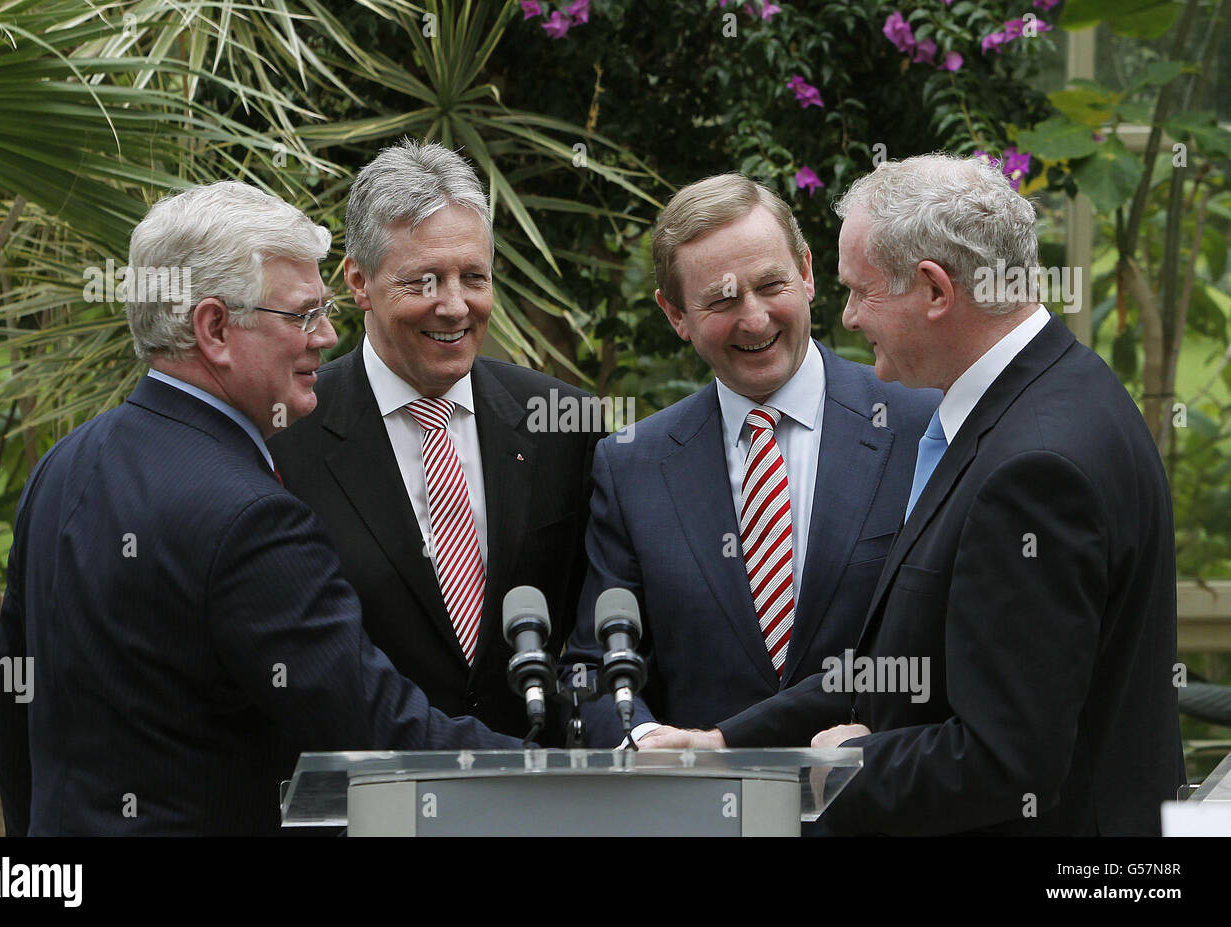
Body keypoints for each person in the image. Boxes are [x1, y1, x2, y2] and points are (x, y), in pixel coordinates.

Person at [641, 154, 1184, 836]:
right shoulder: (1052, 392)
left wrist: (847, 762)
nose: (848, 316)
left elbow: (1005, 761)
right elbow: (911, 662)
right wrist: (726, 742)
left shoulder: (1035, 467)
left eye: (860, 291)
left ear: (933, 289)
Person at [0, 181, 521, 837]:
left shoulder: (62, 467)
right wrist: (581, 780)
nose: (326, 336)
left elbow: (11, 706)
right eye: (301, 315)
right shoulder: (250, 517)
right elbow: (377, 733)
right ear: (215, 328)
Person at [563, 173, 938, 747]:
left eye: (771, 285)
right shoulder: (633, 466)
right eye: (721, 299)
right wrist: (638, 745)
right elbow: (596, 667)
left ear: (808, 273)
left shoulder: (922, 426)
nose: (755, 319)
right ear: (675, 315)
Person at [268, 141, 599, 743]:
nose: (454, 306)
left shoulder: (565, 422)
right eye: (424, 281)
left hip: (534, 797)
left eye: (473, 278)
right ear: (359, 282)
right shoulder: (286, 435)